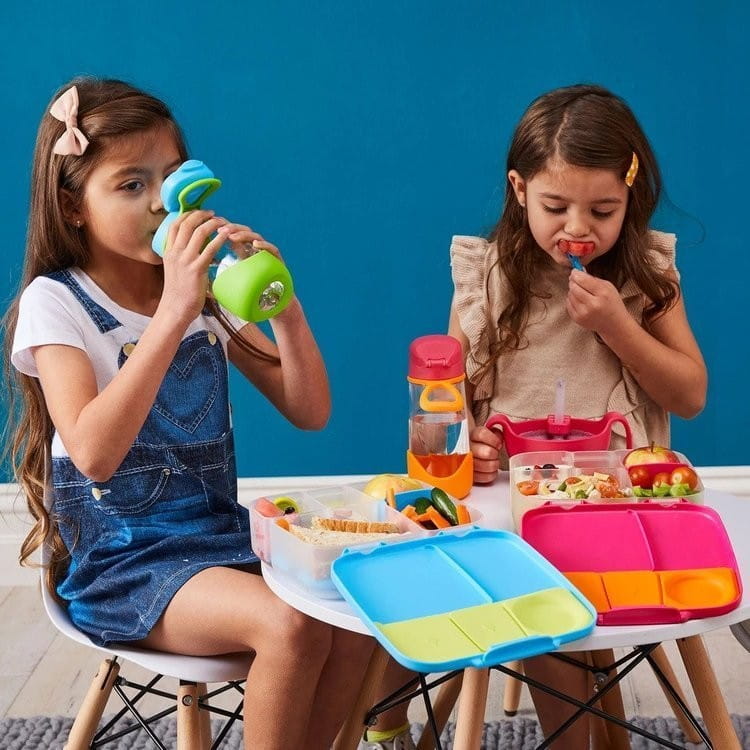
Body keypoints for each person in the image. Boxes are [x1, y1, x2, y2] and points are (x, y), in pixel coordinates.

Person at [4, 77, 375, 750]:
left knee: (351, 612)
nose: (160, 204)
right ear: (73, 205)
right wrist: (175, 311)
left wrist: (284, 309)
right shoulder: (55, 303)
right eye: (131, 185)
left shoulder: (203, 289)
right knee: (289, 624)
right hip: (123, 564)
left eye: (171, 178)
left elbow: (310, 410)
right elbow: (93, 454)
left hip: (218, 541)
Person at [447, 84, 707, 747]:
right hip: (512, 513)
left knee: (553, 588)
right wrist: (466, 442)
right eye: (556, 207)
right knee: (530, 585)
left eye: (603, 210)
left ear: (630, 197)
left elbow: (690, 395)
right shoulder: (487, 276)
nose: (578, 229)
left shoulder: (645, 275)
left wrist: (619, 325)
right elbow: (447, 397)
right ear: (519, 190)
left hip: (622, 510)